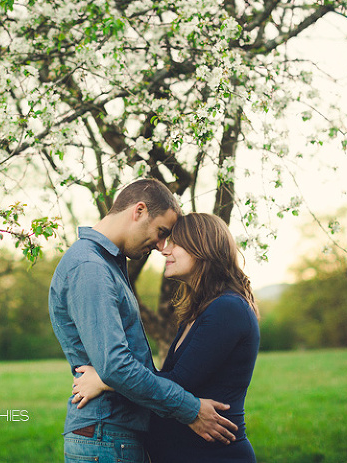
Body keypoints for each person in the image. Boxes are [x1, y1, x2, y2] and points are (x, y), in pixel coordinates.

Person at [48, 180, 239, 463]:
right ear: (139, 211)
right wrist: (191, 409)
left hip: (113, 435)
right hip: (106, 435)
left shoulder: (105, 265)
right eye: (161, 232)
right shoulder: (90, 267)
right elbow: (115, 366)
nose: (162, 246)